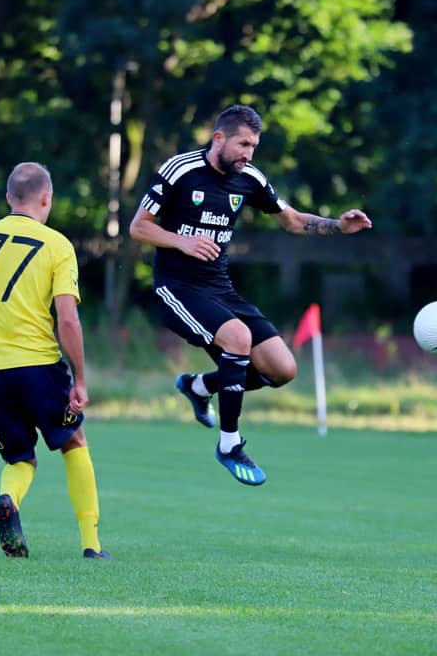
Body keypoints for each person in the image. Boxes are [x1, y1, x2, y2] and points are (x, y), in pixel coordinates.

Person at [128, 104, 372, 486]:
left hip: (220, 289)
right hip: (176, 288)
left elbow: (292, 221)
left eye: (254, 146)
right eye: (243, 144)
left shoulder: (250, 178)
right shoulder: (180, 170)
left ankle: (198, 386)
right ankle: (229, 444)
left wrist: (338, 225)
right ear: (219, 138)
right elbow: (138, 227)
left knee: (282, 370)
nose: (249, 154)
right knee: (238, 338)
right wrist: (182, 241)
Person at [0, 162, 109, 559]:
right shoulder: (56, 245)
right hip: (36, 366)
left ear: (8, 198)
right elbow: (68, 319)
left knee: (20, 456)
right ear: (47, 198)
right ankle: (91, 544)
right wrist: (81, 379)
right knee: (73, 439)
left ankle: (9, 499)